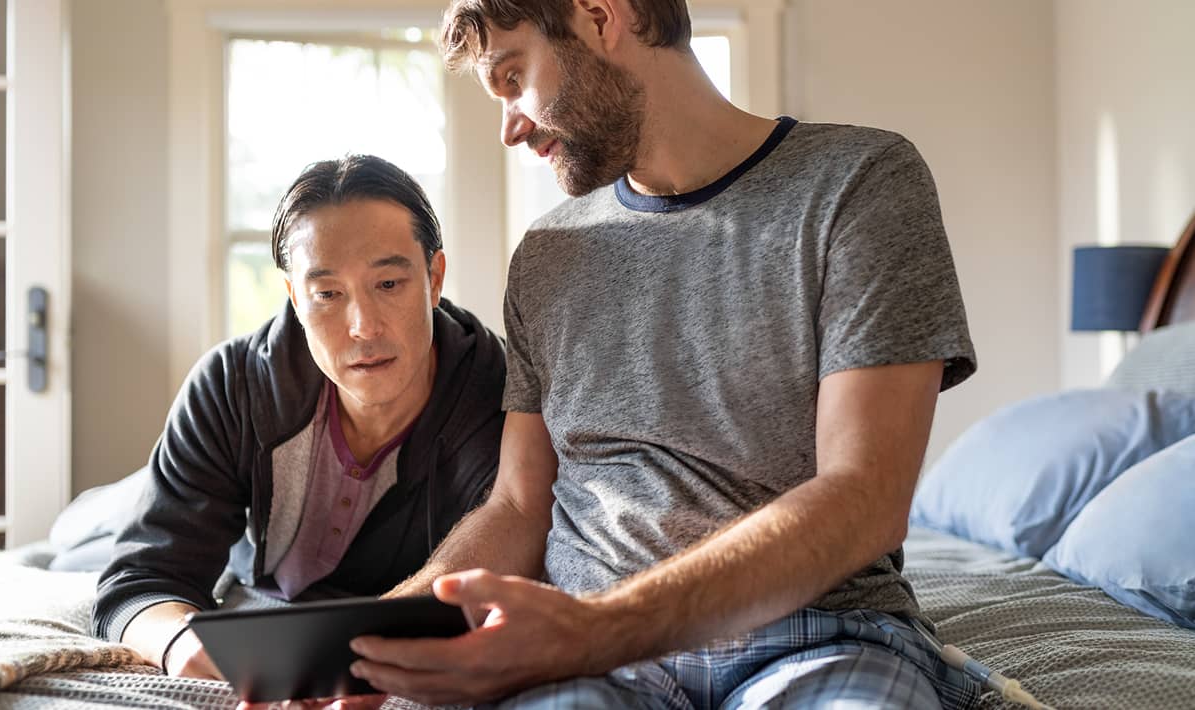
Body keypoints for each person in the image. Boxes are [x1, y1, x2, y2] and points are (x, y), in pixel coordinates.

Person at [345, 1, 984, 709]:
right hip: (598, 669)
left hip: (820, 637)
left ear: (597, 16)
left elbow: (864, 498)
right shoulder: (546, 256)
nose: (510, 128)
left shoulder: (856, 181)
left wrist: (597, 628)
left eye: (513, 75)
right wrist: (369, 647)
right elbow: (521, 504)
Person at [91, 154, 507, 683]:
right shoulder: (229, 384)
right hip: (203, 526)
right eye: (327, 294)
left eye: (389, 285)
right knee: (83, 532)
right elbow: (137, 582)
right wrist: (181, 644)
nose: (362, 326)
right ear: (293, 297)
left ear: (434, 277)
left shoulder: (497, 396)